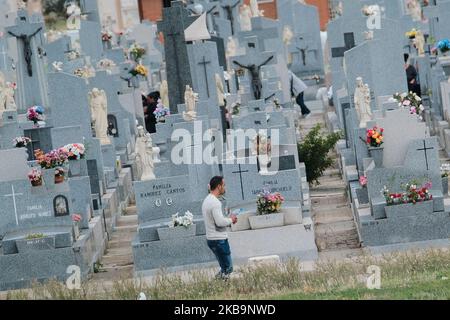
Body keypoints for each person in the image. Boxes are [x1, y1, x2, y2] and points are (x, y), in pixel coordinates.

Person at [202, 176, 238, 280]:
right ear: (219, 186)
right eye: (224, 185)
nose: (225, 187)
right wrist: (231, 220)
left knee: (224, 267)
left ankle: (217, 284)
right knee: (228, 268)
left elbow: (215, 220)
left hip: (212, 238)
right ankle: (217, 284)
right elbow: (220, 222)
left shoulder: (207, 200)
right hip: (218, 239)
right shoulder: (215, 202)